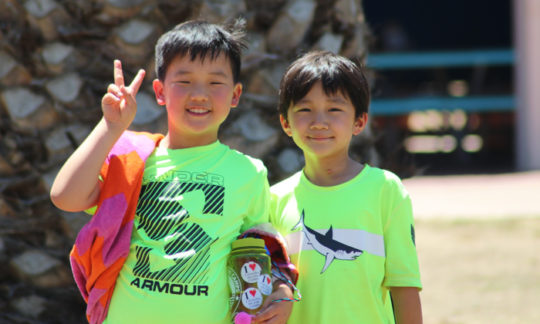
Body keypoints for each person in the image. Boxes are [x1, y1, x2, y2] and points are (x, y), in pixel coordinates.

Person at [50, 20, 293, 324]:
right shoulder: (132, 160)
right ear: (160, 91)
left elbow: (259, 252)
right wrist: (111, 127)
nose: (200, 94)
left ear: (235, 95)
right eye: (185, 81)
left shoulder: (249, 172)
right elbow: (64, 196)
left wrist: (281, 293)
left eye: (215, 82)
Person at [269, 51, 423, 323]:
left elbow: (405, 286)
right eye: (304, 110)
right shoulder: (274, 199)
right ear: (285, 123)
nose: (319, 121)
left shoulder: (386, 190)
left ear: (359, 122)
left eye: (334, 109)